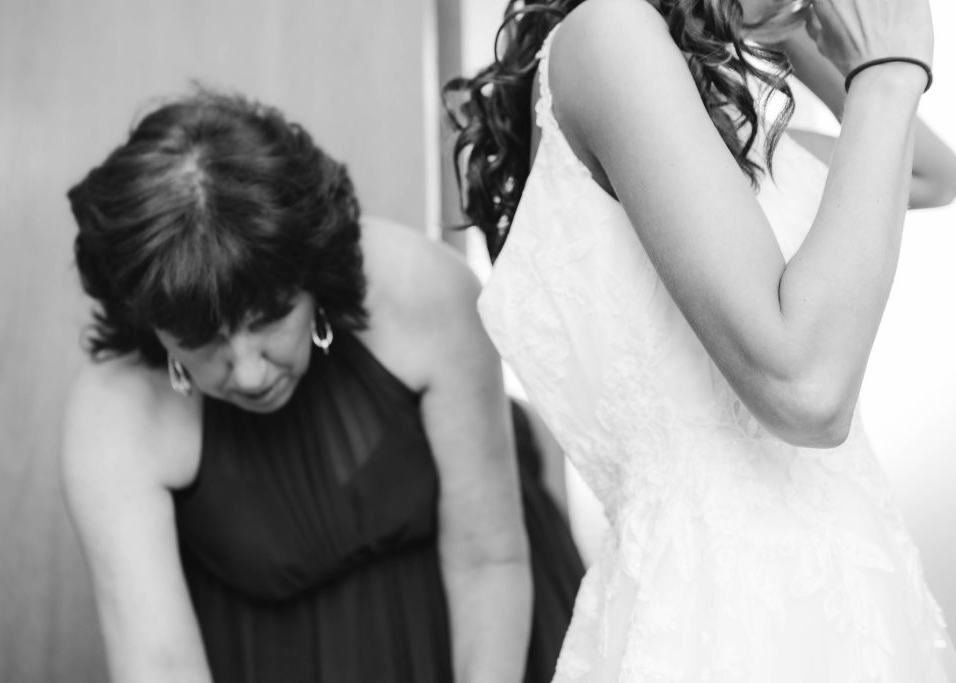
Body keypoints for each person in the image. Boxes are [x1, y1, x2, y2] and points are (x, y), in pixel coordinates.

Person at [446, 0, 956, 679]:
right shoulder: (610, 35)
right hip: (730, 611)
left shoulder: (694, 97)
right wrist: (888, 71)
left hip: (843, 588)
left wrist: (803, 35)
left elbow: (928, 173)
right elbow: (807, 389)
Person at [62, 90, 583, 683]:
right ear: (150, 326)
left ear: (311, 274)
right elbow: (159, 664)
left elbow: (486, 557)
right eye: (201, 341)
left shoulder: (424, 290)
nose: (252, 373)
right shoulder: (113, 414)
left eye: (269, 320)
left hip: (486, 619)